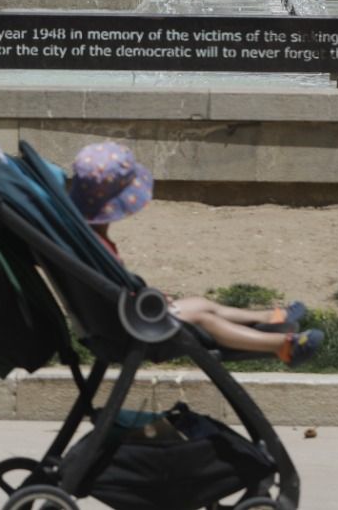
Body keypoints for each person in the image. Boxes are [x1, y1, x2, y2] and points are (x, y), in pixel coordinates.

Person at [68, 142, 324, 367]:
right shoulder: (96, 248)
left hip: (122, 321)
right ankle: (282, 345)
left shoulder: (84, 242)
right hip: (133, 331)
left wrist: (143, 300)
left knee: (201, 303)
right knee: (202, 318)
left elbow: (109, 295)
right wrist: (145, 302)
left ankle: (266, 317)